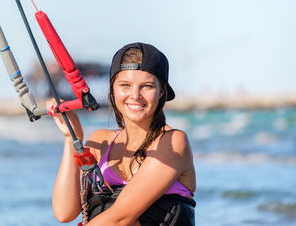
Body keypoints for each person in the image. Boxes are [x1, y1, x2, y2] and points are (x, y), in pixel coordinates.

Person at [47, 42, 196, 226]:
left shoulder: (173, 142)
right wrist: (71, 138)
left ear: (161, 91)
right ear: (113, 90)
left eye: (147, 86)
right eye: (125, 85)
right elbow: (64, 213)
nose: (135, 95)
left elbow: (120, 219)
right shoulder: (99, 141)